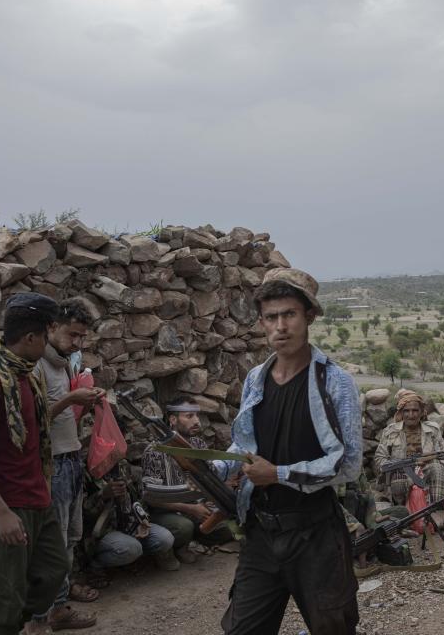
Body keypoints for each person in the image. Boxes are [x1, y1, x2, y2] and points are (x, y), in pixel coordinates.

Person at [213, 268, 363, 635]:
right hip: (261, 533)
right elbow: (246, 444)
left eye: (289, 314)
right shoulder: (256, 379)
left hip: (315, 536)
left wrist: (277, 474)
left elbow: (348, 465)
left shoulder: (335, 383)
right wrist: (216, 465)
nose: (280, 326)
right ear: (262, 322)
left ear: (309, 316)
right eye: (271, 317)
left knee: (333, 627)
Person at [0, 293, 68, 635]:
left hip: (38, 496)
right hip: (10, 502)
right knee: (7, 595)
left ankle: (21, 624)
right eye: (48, 334)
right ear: (31, 338)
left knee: (54, 570)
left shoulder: (27, 378)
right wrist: (0, 511)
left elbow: (34, 432)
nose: (51, 342)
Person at [30, 299, 105, 630]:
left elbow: (64, 418)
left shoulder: (65, 364)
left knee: (72, 537)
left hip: (71, 457)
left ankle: (58, 609)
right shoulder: (36, 367)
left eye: (81, 337)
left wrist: (84, 404)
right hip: (52, 463)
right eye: (72, 335)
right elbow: (29, 422)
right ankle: (42, 613)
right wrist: (71, 400)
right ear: (51, 327)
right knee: (55, 542)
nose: (77, 343)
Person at [141, 395, 234, 564]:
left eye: (197, 415)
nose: (196, 421)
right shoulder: (155, 450)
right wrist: (191, 509)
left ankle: (196, 540)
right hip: (166, 512)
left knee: (227, 527)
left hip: (198, 506)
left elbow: (210, 478)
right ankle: (173, 549)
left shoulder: (198, 444)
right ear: (173, 419)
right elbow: (150, 498)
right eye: (189, 416)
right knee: (183, 527)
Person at [373, 391, 444, 539]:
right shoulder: (390, 431)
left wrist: (426, 461)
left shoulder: (432, 429)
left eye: (415, 410)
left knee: (438, 467)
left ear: (422, 412)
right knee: (398, 480)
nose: (411, 414)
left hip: (427, 470)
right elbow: (380, 458)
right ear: (401, 413)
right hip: (401, 471)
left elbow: (443, 456)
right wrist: (399, 464)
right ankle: (404, 522)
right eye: (406, 411)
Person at [82, 460, 177, 580]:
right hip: (104, 533)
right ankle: (96, 565)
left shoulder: (122, 465)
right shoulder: (85, 472)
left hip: (130, 525)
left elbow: (140, 500)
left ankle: (134, 560)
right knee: (131, 548)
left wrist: (143, 520)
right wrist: (103, 495)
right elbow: (83, 514)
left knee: (165, 539)